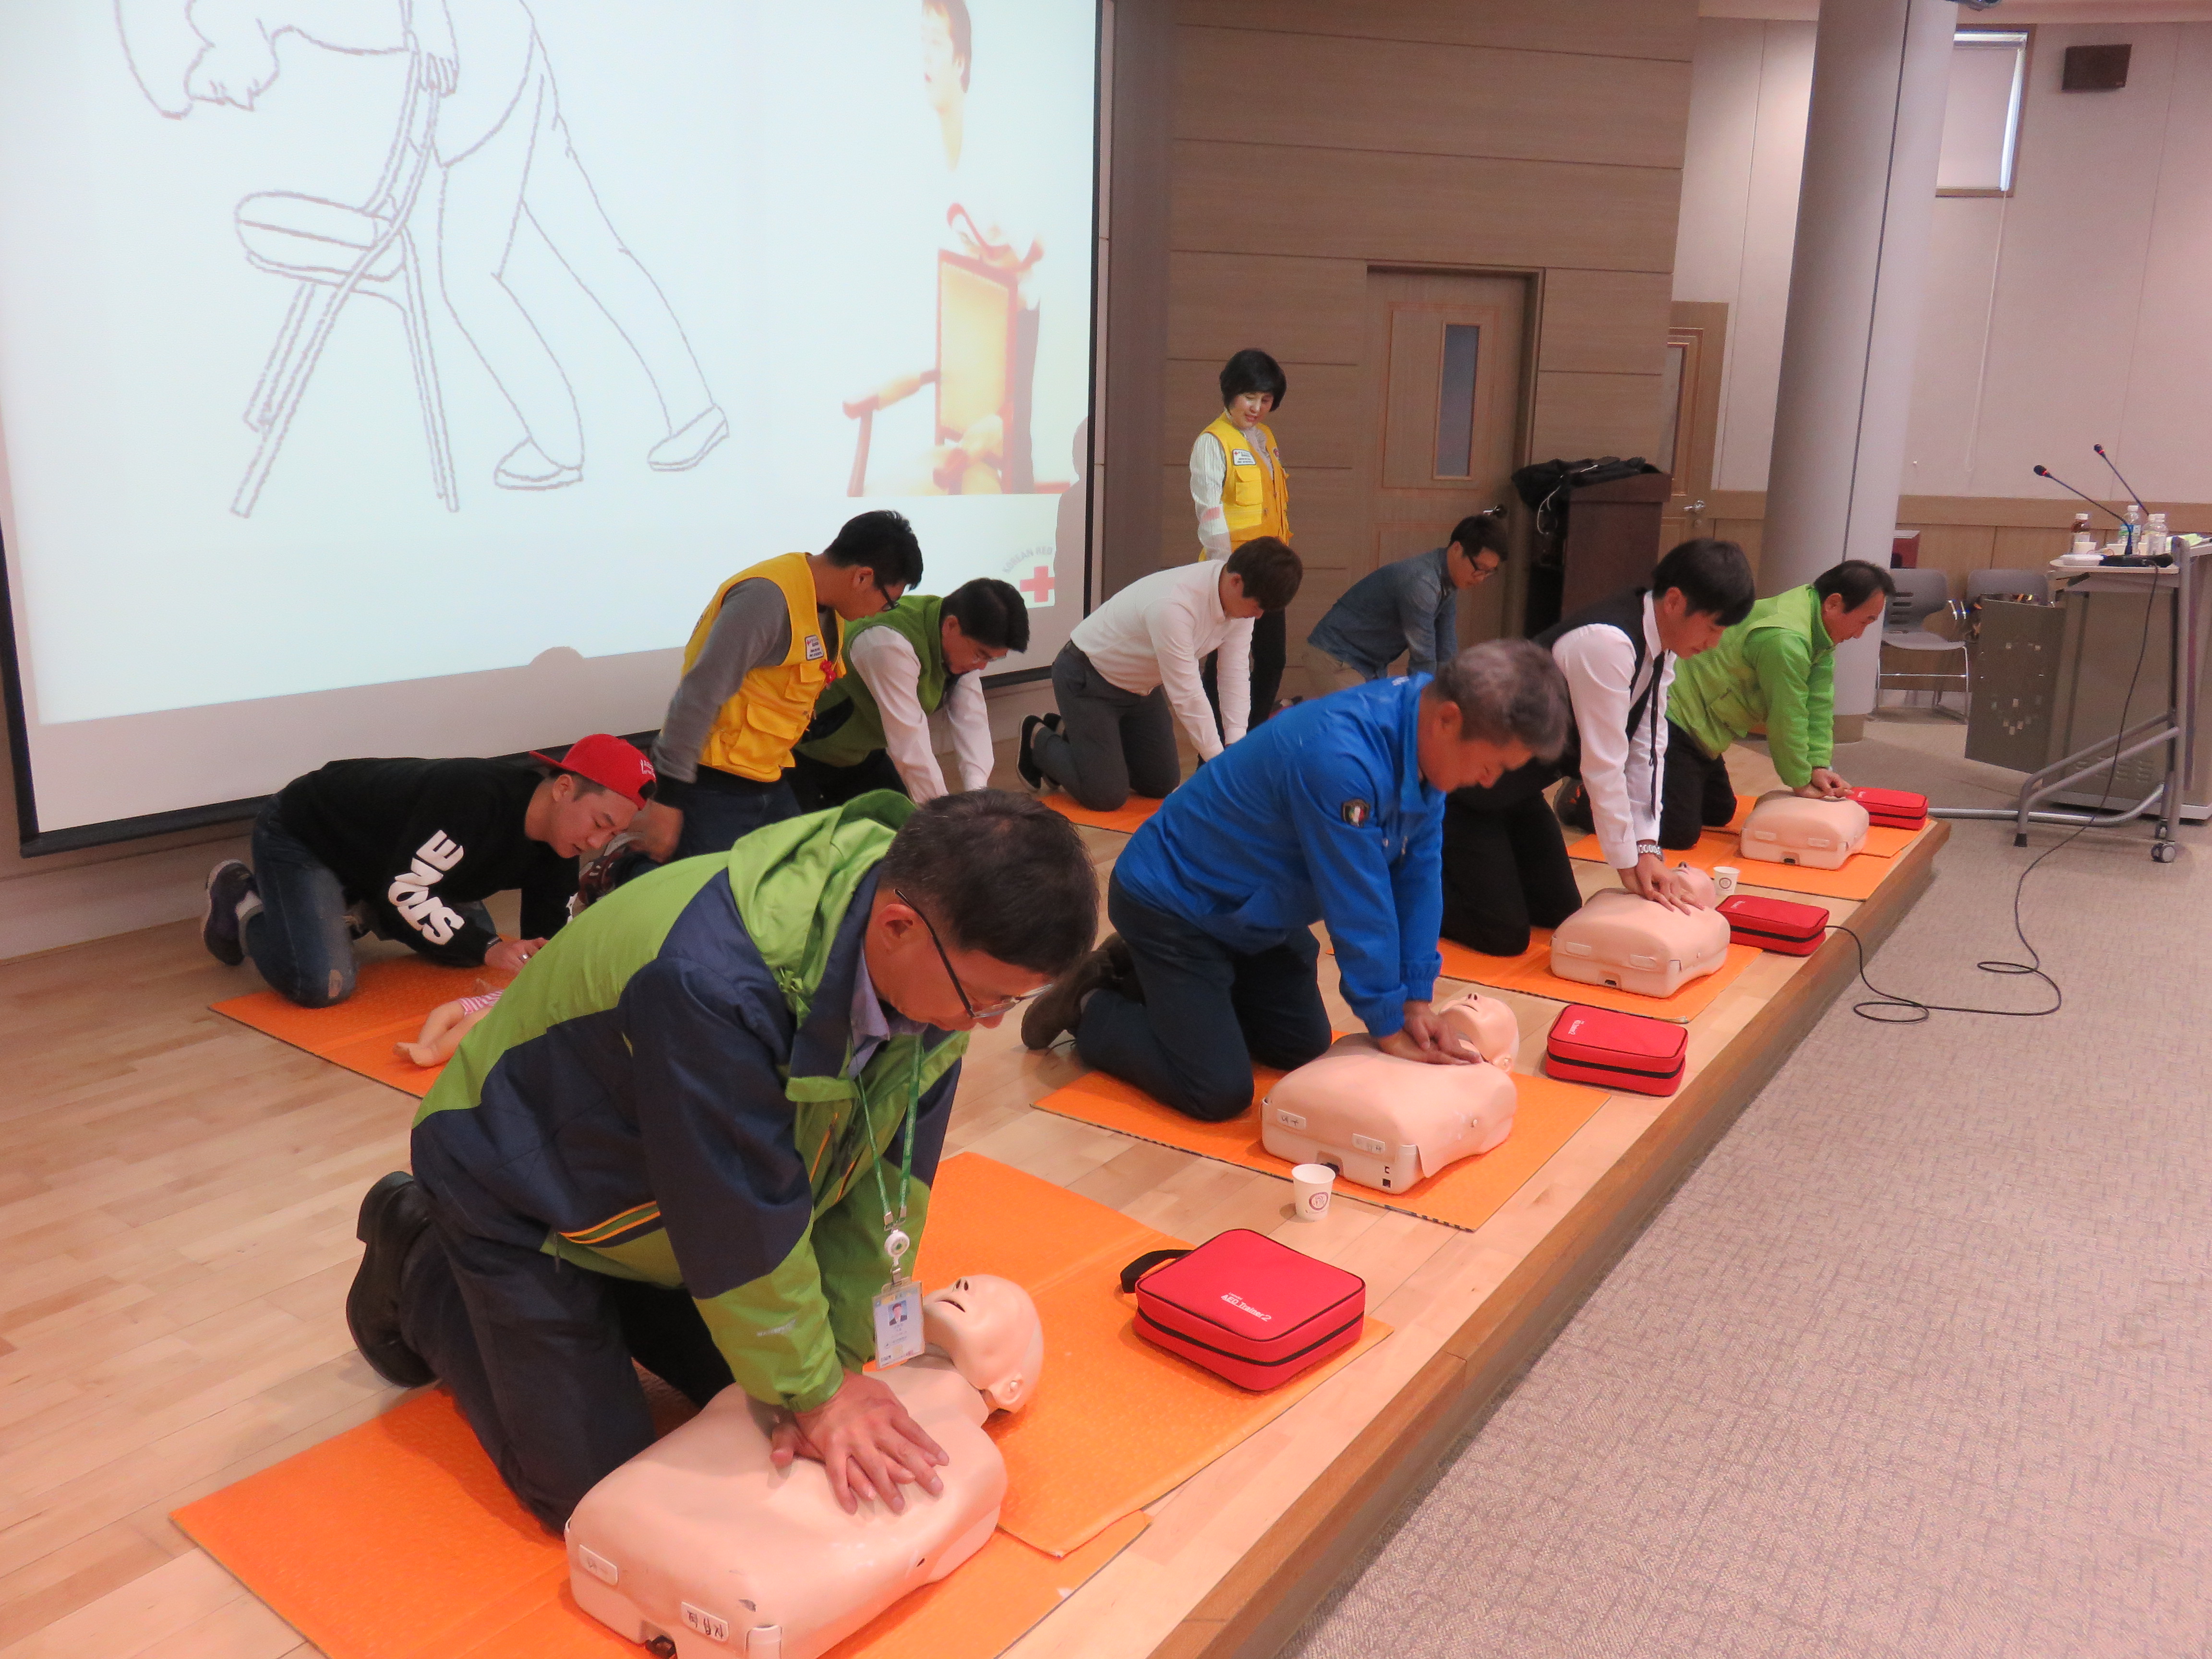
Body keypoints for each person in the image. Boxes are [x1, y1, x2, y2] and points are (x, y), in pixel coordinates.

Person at [343, 790, 1099, 1530]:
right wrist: (817, 1395)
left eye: (1009, 1004)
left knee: (760, 1400)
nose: (986, 1023)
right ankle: (417, 1253)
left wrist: (837, 1365)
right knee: (595, 1500)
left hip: (658, 1202)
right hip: (518, 1187)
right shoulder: (711, 982)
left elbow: (885, 1183)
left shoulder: (932, 968)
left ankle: (609, 1304)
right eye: (985, 1000)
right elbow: (734, 1209)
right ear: (898, 925)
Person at [1021, 642, 1571, 1124]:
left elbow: (1419, 873)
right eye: (1494, 764)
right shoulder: (1342, 761)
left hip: (1255, 911)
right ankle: (1091, 1002)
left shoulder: (1426, 732)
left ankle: (1153, 979)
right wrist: (1387, 1020)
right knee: (1217, 1090)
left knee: (1301, 1048)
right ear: (1449, 720)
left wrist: (1417, 1001)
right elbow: (1359, 903)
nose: (1489, 781)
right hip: (1174, 904)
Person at [1441, 539, 1755, 958]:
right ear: (1675, 602)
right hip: (1465, 790)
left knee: (1559, 913)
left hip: (1519, 790)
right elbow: (1604, 765)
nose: (1714, 643)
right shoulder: (1608, 643)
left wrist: (1647, 848)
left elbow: (1648, 747)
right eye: (1713, 627)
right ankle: (1403, 881)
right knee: (1504, 936)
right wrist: (1628, 865)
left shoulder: (1662, 646)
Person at [199, 733, 654, 1008]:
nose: (597, 844)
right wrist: (492, 947)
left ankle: (362, 905)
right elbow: (409, 891)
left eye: (612, 834)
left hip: (391, 863)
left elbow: (549, 942)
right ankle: (243, 901)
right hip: (309, 835)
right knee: (321, 985)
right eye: (600, 823)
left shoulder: (561, 842)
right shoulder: (473, 800)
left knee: (467, 947)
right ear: (564, 789)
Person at [629, 511, 926, 865]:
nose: (882, 612)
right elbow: (698, 695)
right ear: (863, 577)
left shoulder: (830, 608)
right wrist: (668, 800)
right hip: (711, 785)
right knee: (705, 890)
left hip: (769, 777)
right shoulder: (766, 599)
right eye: (888, 602)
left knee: (797, 876)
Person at [1015, 539, 1303, 812]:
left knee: (1161, 783)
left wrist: (1235, 747)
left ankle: (1071, 735)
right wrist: (1220, 766)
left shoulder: (1239, 604)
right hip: (1088, 678)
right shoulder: (1174, 605)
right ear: (1236, 581)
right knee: (1106, 795)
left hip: (1141, 689)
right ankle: (1037, 738)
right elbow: (1188, 693)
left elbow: (1234, 673)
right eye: (1258, 606)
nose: (1259, 616)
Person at [1660, 559, 1897, 846]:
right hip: (1676, 717)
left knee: (1718, 812)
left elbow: (1818, 703)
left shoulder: (1819, 627)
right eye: (1864, 621)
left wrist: (1818, 765)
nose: (1860, 634)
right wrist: (1799, 781)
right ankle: (1614, 798)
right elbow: (1787, 715)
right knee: (1678, 835)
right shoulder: (1786, 639)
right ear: (1834, 603)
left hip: (1706, 728)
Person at [790, 579, 1029, 811]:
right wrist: (945, 816)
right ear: (951, 626)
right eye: (980, 655)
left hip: (862, 755)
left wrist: (978, 795)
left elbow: (971, 719)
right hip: (801, 755)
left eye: (991, 660)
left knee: (903, 826)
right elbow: (910, 745)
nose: (982, 666)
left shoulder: (958, 643)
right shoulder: (887, 643)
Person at [1191, 349, 1292, 726]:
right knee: (1224, 664)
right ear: (1231, 392)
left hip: (1271, 570)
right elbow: (1210, 513)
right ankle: (1213, 748)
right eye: (1249, 397)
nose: (1257, 408)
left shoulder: (1265, 437)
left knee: (1272, 658)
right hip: (1234, 575)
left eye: (1266, 400)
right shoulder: (1213, 441)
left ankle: (1252, 737)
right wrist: (1225, 577)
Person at [1306, 515, 1508, 690]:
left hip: (1368, 665)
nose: (1481, 578)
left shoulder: (1449, 581)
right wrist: (1431, 699)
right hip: (1337, 657)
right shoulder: (1422, 583)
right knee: (1365, 722)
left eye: (1489, 572)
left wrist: (1451, 687)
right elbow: (1423, 656)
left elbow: (1446, 644)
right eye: (1479, 568)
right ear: (1457, 549)